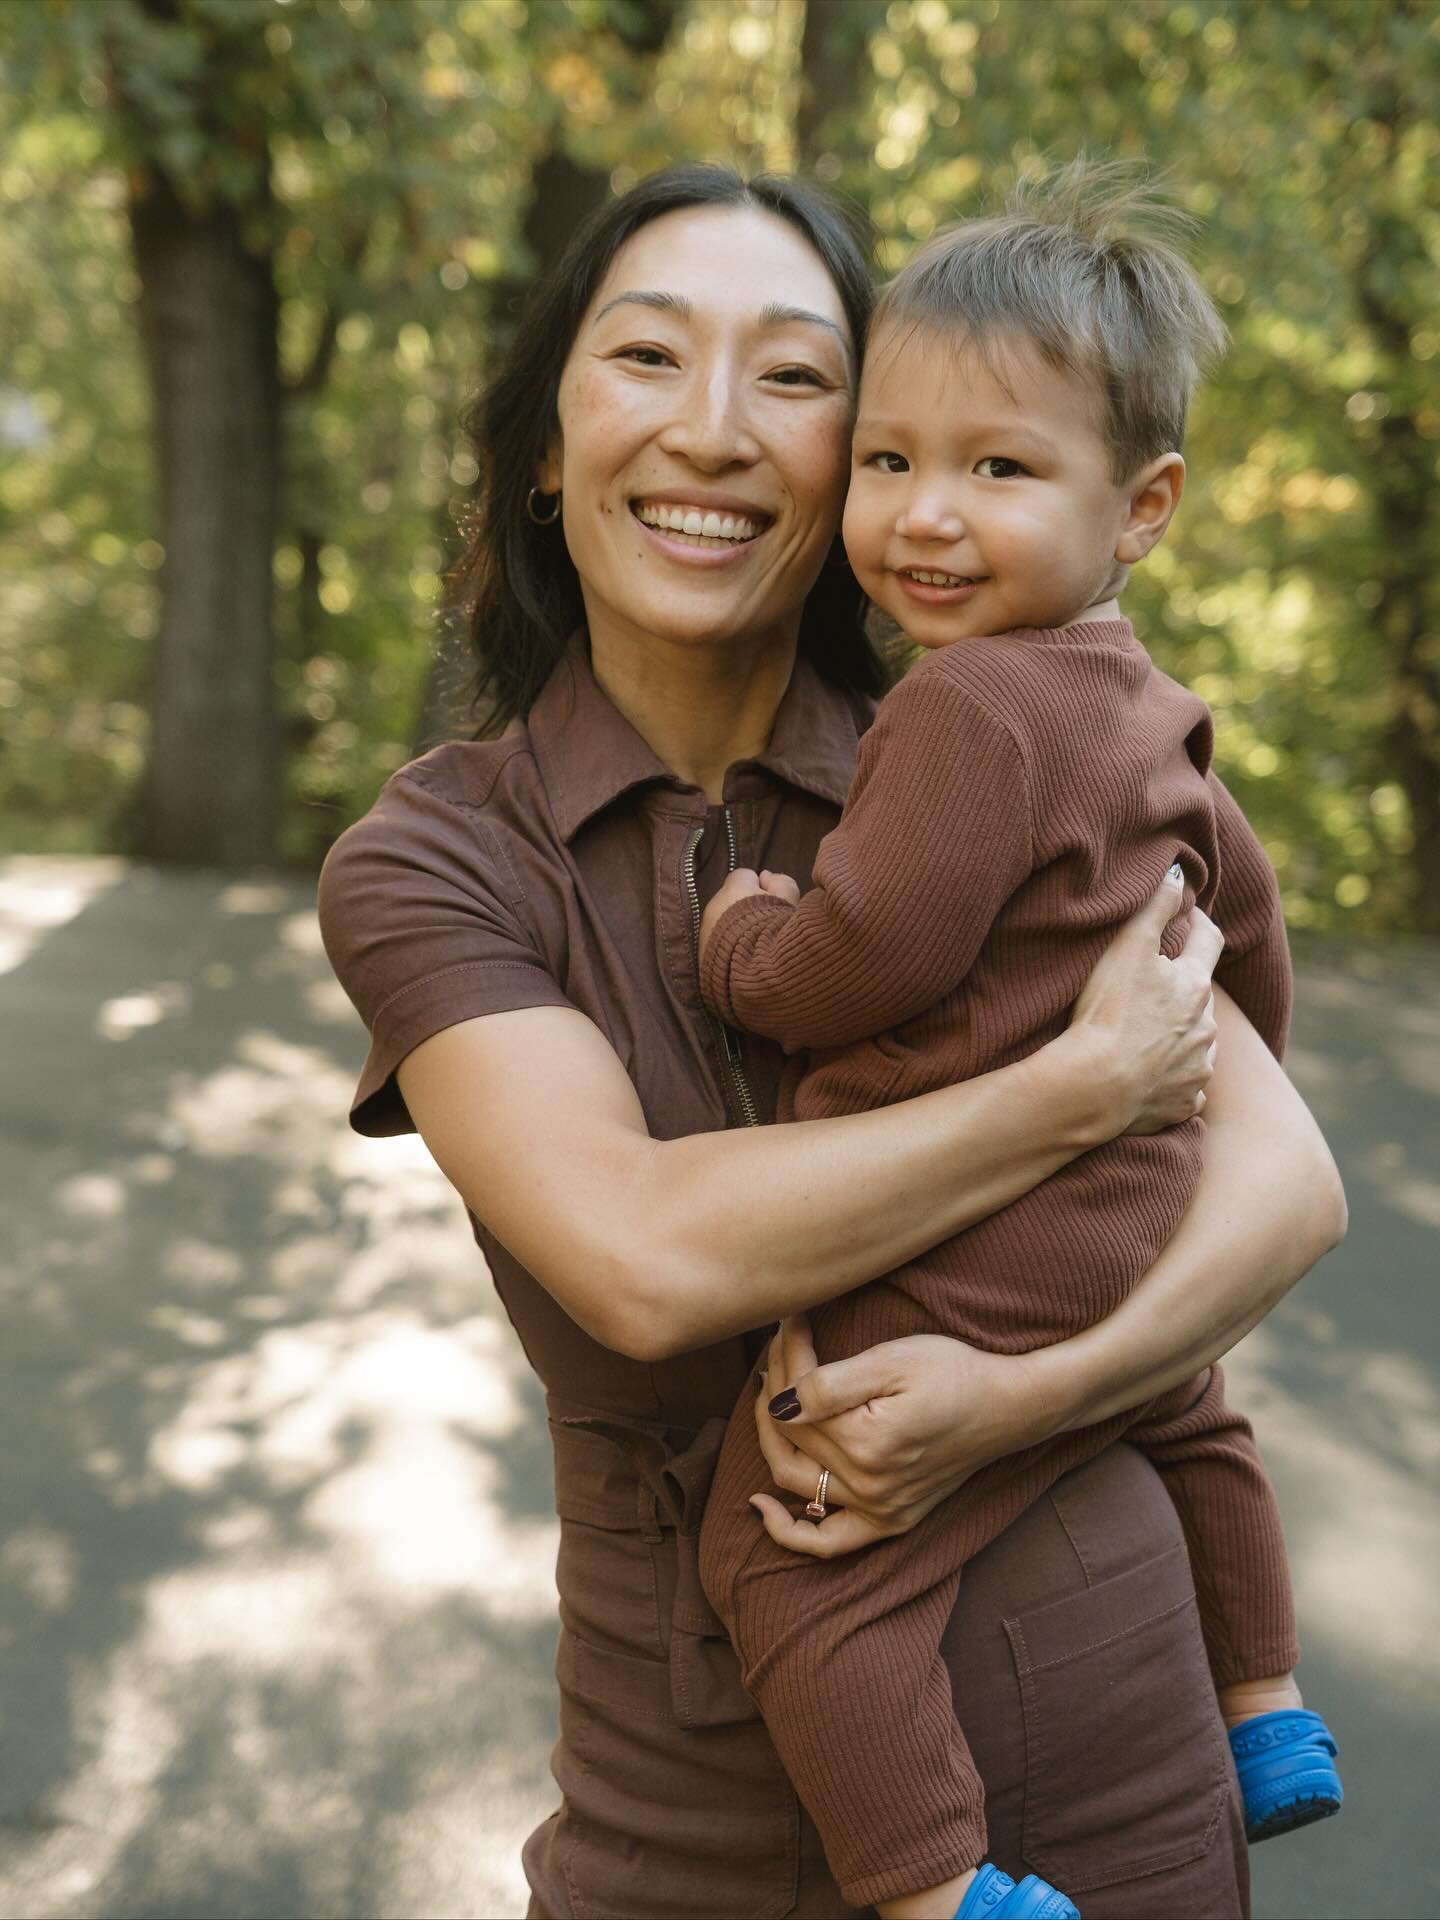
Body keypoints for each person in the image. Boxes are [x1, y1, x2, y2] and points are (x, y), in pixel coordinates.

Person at [316, 164, 1347, 1920]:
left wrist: (1013, 1401)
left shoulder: (1008, 731)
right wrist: (1076, 1094)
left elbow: (1286, 1185)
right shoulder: (441, 861)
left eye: (795, 378)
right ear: (547, 448)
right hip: (688, 1818)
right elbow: (642, 1259)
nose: (715, 430)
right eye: (647, 357)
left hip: (1120, 1762)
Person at [694, 166, 1341, 1920]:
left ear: (1142, 505)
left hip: (971, 1248)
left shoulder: (968, 699)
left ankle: (930, 1886)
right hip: (1122, 1206)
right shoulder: (1152, 708)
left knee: (788, 1563)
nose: (926, 516)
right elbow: (1250, 929)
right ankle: (1269, 1710)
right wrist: (1185, 1100)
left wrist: (748, 939)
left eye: (998, 468)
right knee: (1186, 1401)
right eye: (891, 461)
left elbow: (864, 953)